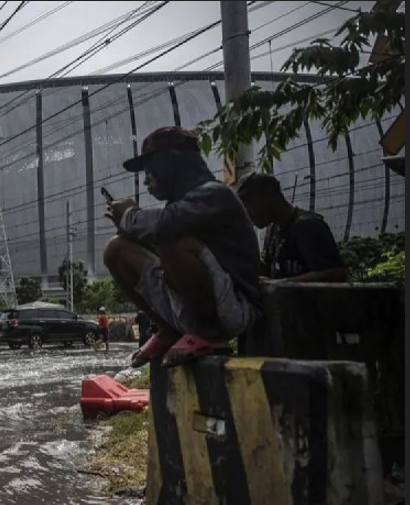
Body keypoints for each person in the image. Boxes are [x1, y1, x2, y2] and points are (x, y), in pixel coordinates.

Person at [102, 126, 263, 368]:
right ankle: (168, 330)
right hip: (194, 305)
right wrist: (130, 231)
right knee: (116, 250)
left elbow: (167, 225)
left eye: (150, 169)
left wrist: (130, 217)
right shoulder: (181, 205)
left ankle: (210, 336)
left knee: (172, 239)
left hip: (232, 308)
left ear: (172, 162)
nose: (146, 179)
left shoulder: (214, 194)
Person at [235, 172, 348, 283]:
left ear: (268, 195)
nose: (246, 213)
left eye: (247, 204)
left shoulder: (307, 226)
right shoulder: (273, 229)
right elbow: (269, 272)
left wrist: (283, 284)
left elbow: (335, 273)